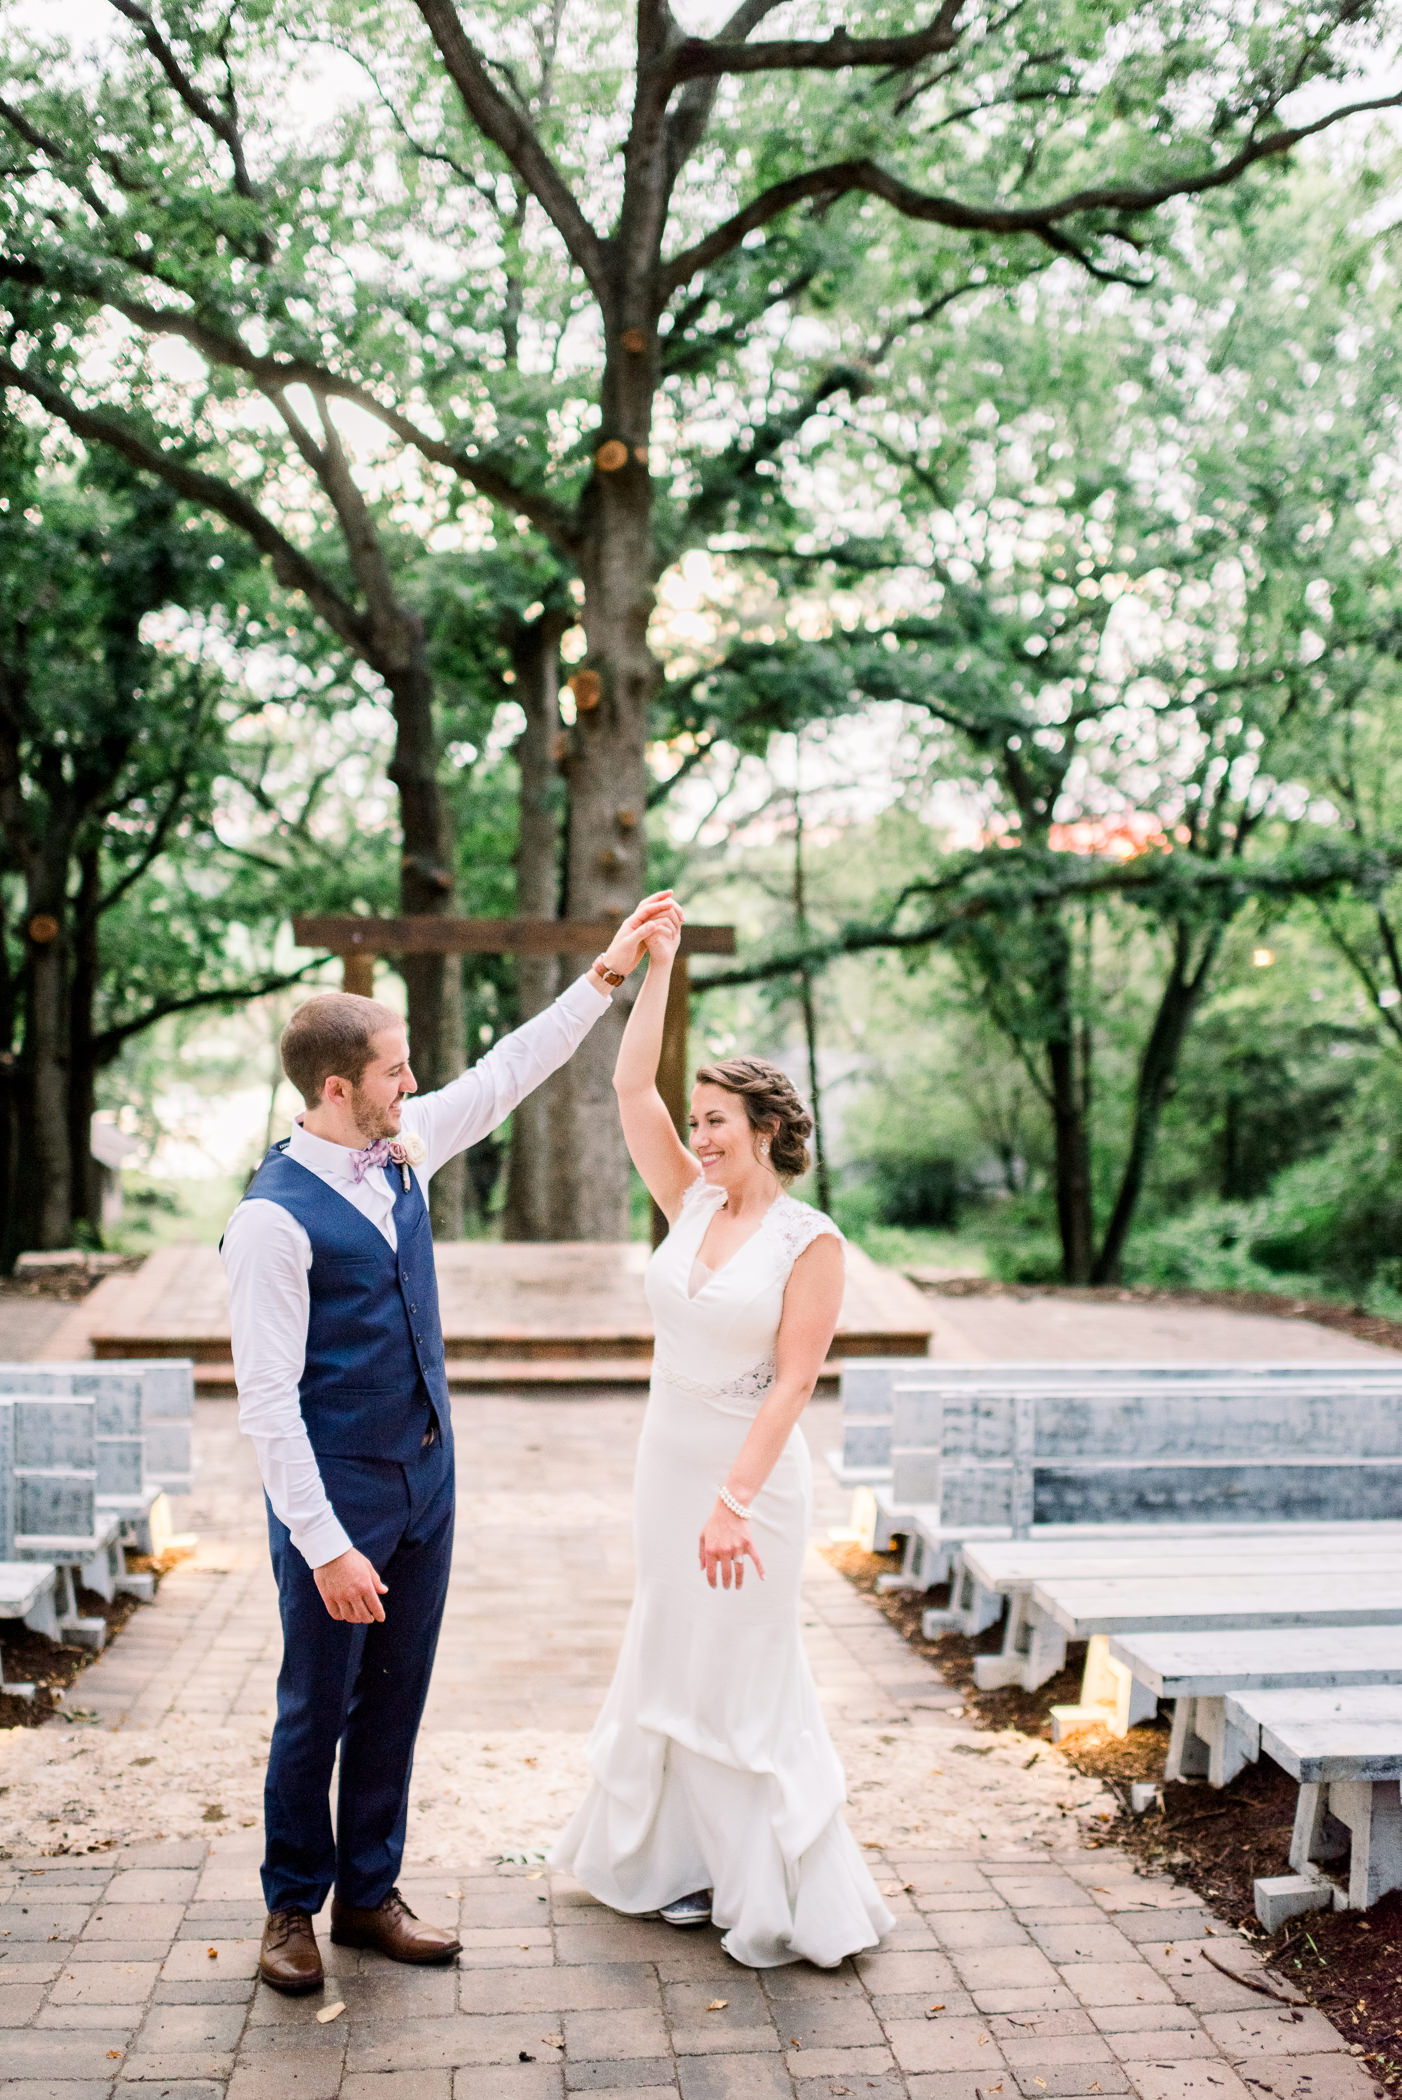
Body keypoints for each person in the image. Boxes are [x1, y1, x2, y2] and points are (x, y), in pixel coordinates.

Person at [222, 891, 682, 1994]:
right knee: (314, 1706)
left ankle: (369, 1894)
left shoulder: (407, 1152)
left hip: (428, 1478)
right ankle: (290, 1908)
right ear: (337, 1089)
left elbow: (509, 1072)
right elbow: (265, 1404)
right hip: (334, 1495)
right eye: (394, 1070)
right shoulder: (271, 1221)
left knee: (398, 1695)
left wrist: (608, 973)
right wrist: (325, 1545)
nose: (413, 1082)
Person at [551, 912, 893, 1968]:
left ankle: (760, 1879)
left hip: (750, 1483)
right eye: (695, 1119)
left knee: (741, 1669)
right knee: (671, 1653)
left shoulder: (811, 1241)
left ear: (765, 1125)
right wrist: (659, 966)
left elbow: (794, 1383)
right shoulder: (688, 1205)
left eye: (717, 1121)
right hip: (667, 1465)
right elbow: (626, 1089)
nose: (699, 1135)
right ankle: (681, 1867)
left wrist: (733, 1501)